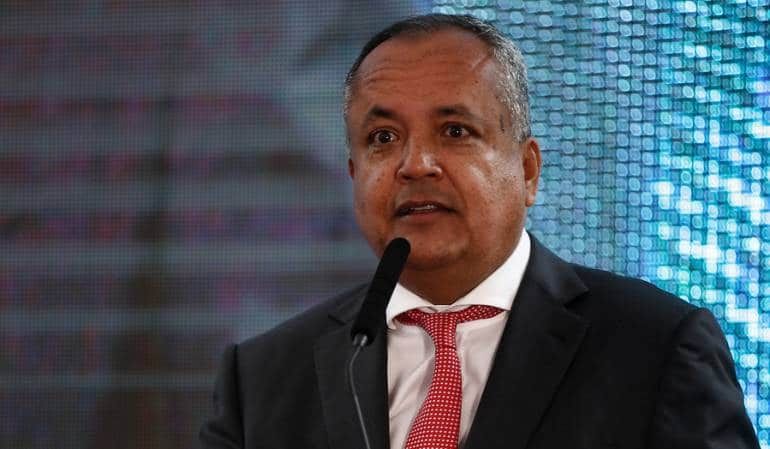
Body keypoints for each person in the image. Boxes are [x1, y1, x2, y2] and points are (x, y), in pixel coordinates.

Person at [200, 14, 760, 449]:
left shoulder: (657, 348)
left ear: (528, 170)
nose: (415, 165)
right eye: (383, 139)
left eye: (454, 131)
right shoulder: (264, 377)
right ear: (354, 175)